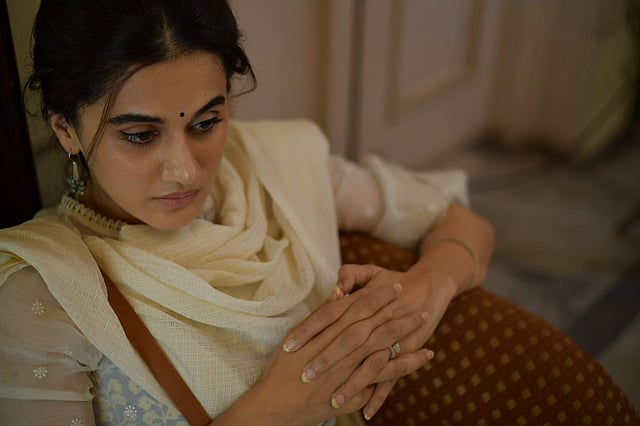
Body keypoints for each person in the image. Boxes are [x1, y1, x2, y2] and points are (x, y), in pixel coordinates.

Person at [0, 0, 494, 425]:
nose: (186, 171)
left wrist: (421, 291)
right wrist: (278, 407)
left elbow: (460, 221)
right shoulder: (42, 294)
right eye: (140, 135)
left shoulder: (273, 170)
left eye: (206, 122)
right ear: (66, 130)